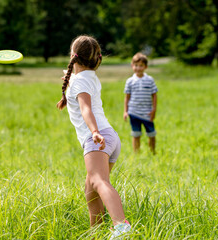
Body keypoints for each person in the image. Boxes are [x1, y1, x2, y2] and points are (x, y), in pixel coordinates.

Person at [56, 35, 131, 238]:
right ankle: (96, 233)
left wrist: (94, 131)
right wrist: (70, 79)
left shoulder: (79, 81)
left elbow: (86, 108)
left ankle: (121, 226)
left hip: (97, 138)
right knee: (91, 191)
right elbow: (78, 84)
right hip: (111, 138)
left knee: (99, 181)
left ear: (73, 56)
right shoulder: (88, 77)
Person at [123, 53, 158, 154]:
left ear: (145, 67)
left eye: (141, 65)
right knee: (136, 134)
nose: (138, 68)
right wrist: (125, 111)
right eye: (136, 65)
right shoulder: (129, 81)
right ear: (132, 66)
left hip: (147, 113)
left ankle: (153, 152)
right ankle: (136, 154)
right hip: (133, 112)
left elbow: (154, 95)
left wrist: (154, 110)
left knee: (151, 134)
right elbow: (127, 97)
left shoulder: (150, 80)